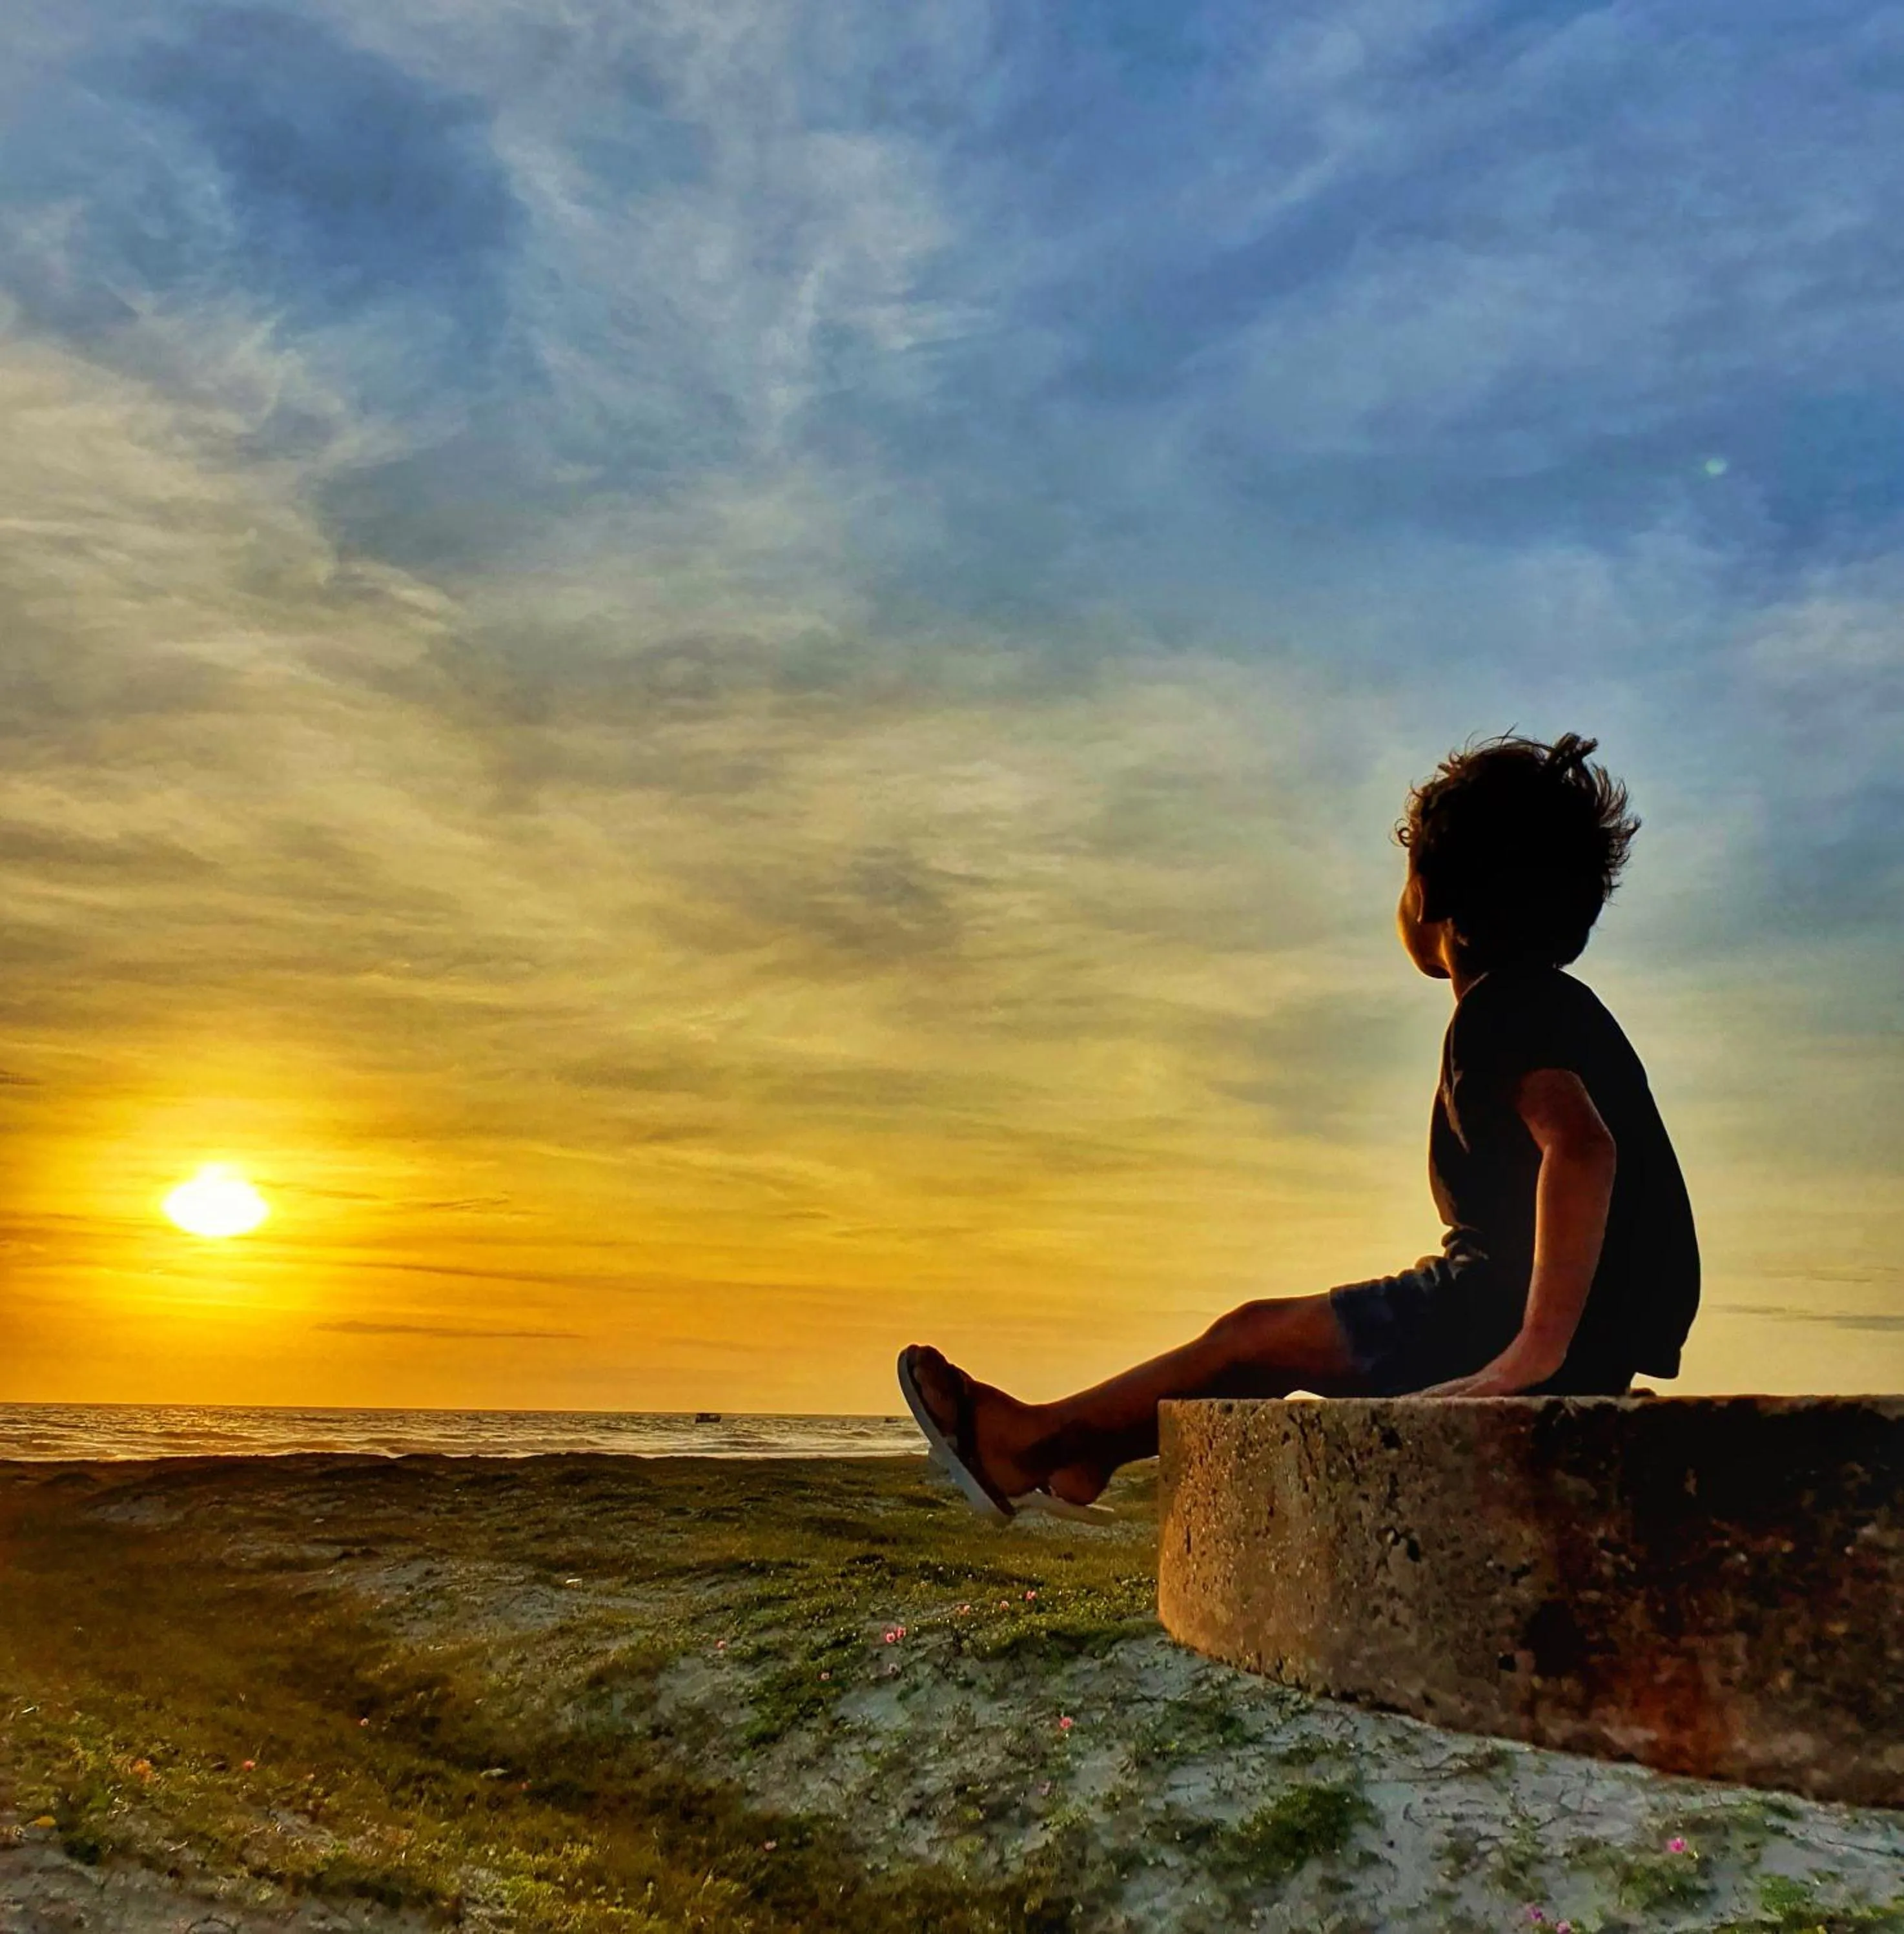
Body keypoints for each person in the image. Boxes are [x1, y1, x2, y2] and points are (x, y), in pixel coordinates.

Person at [897, 732, 1700, 1522]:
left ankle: (1033, 1444)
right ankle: (1088, 1450)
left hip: (1491, 1314)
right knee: (1264, 1339)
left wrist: (1535, 1352)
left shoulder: (1499, 1009)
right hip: (1585, 1331)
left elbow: (1585, 1147)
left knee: (1255, 1337)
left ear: (1427, 894)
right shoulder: (1561, 1007)